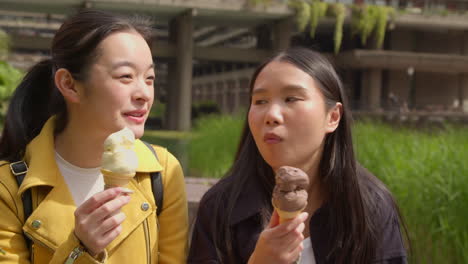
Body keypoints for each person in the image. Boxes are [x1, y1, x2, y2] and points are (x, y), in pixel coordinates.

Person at [188, 47, 408, 264]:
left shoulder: (370, 206)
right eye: (260, 101)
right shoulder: (220, 207)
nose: (271, 115)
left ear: (332, 116)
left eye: (291, 98)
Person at [0, 10, 188, 264]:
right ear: (69, 84)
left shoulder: (162, 172)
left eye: (150, 78)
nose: (144, 93)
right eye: (126, 76)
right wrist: (79, 248)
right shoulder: (9, 187)